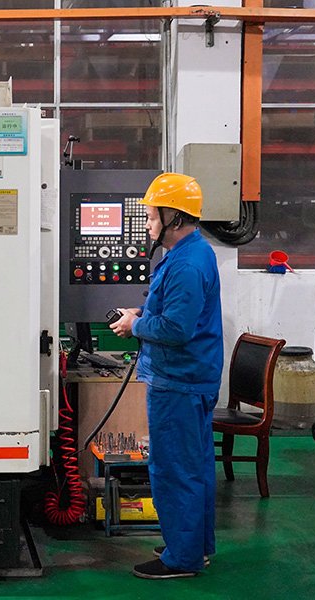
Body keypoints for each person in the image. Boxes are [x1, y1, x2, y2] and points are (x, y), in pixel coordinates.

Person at [109, 172, 223, 580]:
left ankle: (182, 558)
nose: (148, 224)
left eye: (152, 216)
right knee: (195, 467)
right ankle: (193, 545)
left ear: (174, 217)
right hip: (190, 379)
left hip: (179, 382)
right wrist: (141, 314)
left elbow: (176, 329)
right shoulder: (190, 254)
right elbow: (175, 312)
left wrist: (134, 326)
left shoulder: (187, 263)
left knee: (175, 470)